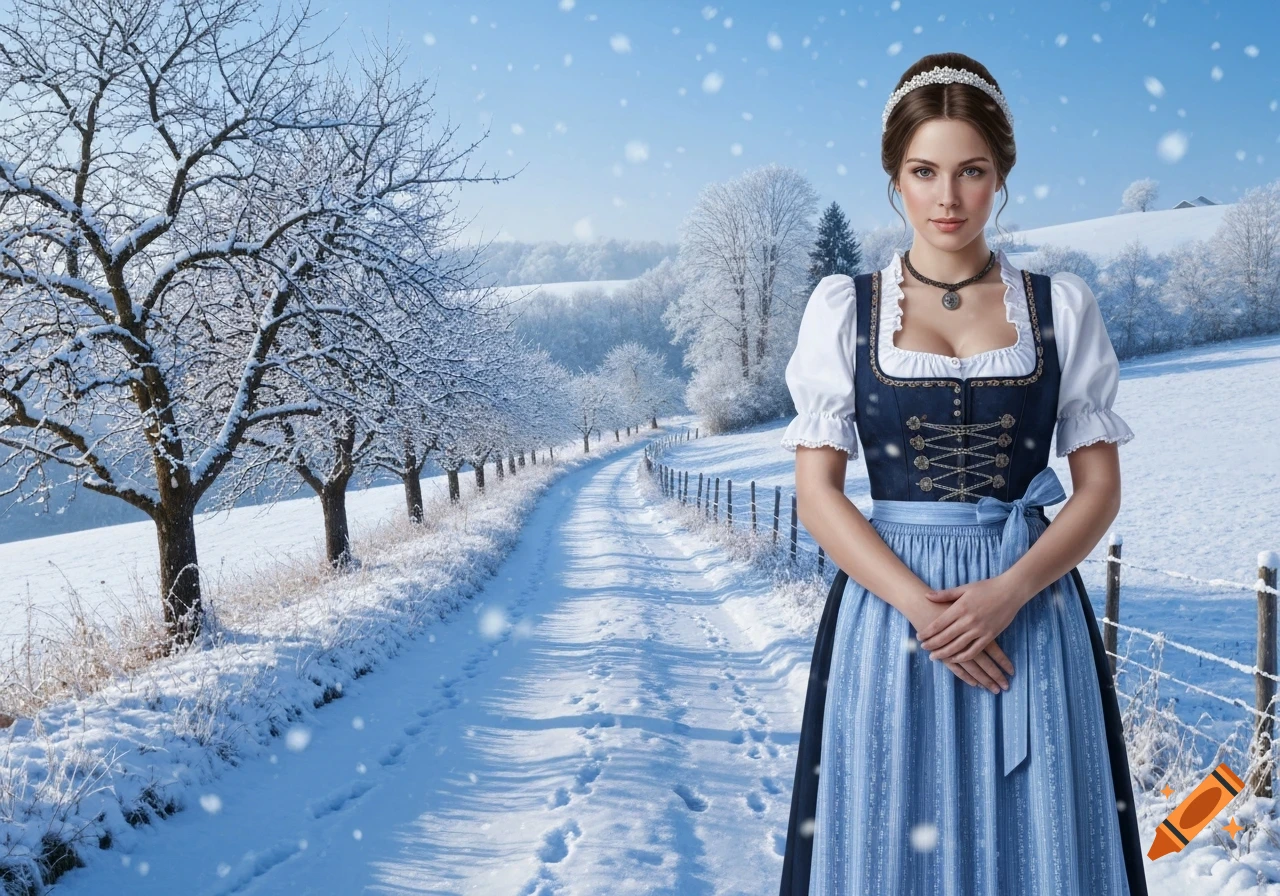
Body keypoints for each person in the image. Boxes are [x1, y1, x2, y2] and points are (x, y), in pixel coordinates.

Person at [777, 52, 1150, 896]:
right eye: (925, 172)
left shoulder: (1059, 308)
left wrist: (1009, 592)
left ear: (1001, 176)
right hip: (890, 612)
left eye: (971, 171)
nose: (948, 198)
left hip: (1031, 605)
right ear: (895, 178)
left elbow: (1098, 490)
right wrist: (921, 608)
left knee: (1040, 840)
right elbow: (818, 496)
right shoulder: (845, 310)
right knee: (888, 839)